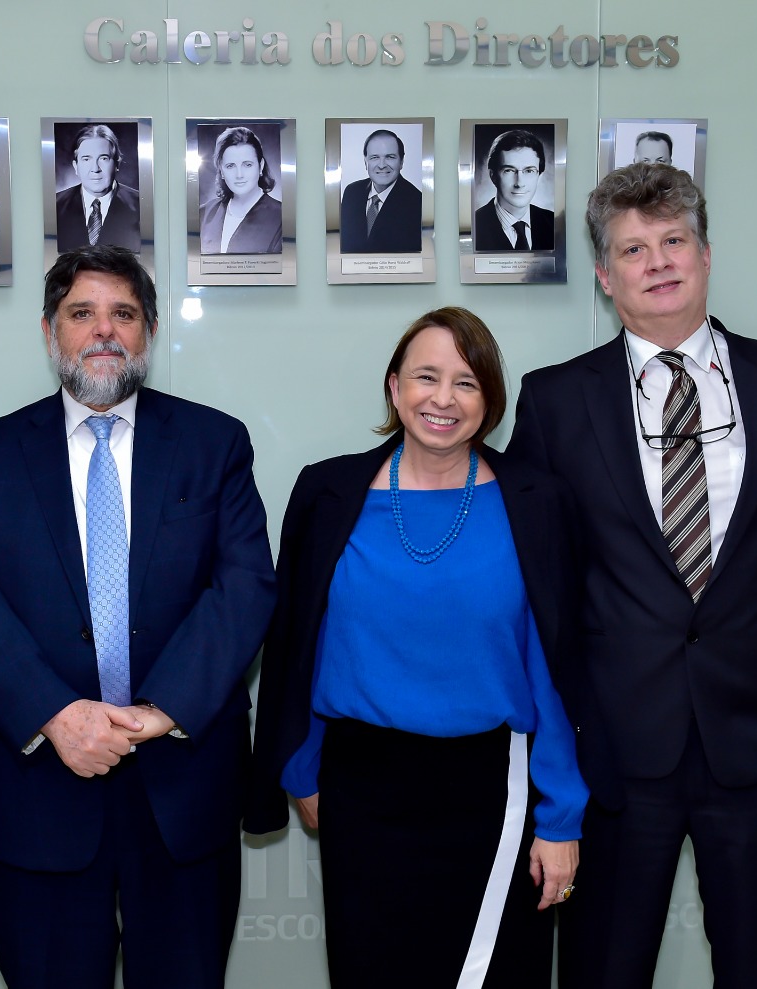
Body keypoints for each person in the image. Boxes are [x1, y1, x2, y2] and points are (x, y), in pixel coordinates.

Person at [506, 163, 757, 989]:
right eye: (632, 248)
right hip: (618, 745)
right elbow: (544, 568)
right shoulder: (553, 400)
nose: (657, 261)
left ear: (705, 253)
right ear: (604, 274)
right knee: (602, 970)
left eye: (673, 241)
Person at [0, 245, 275, 989]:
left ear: (149, 330)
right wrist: (56, 714)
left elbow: (244, 586)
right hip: (44, 790)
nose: (103, 331)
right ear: (51, 330)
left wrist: (160, 711)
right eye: (81, 313)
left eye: (123, 314)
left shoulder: (214, 443)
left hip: (182, 783)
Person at [246, 307, 587, 988]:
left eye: (466, 382)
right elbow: (299, 642)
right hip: (361, 790)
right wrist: (304, 769)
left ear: (489, 400)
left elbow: (554, 669)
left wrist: (561, 816)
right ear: (394, 385)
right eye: (426, 376)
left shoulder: (537, 500)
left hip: (493, 792)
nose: (442, 398)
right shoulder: (328, 491)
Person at [55, 124, 142, 253]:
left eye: (103, 158)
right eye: (86, 159)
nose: (95, 169)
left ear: (117, 164)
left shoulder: (141, 205)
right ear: (75, 166)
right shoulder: (55, 205)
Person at [199, 126, 283, 255]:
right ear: (221, 171)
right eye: (230, 166)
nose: (239, 175)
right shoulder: (203, 213)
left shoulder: (281, 218)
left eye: (247, 165)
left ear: (260, 166)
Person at [338, 128, 423, 254]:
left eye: (390, 157)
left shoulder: (417, 202)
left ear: (401, 162)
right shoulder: (351, 192)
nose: (382, 165)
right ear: (365, 161)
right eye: (374, 157)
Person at [472, 129, 555, 253]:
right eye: (509, 170)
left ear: (539, 176)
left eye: (529, 171)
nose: (519, 183)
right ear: (493, 175)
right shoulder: (475, 225)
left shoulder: (553, 223)